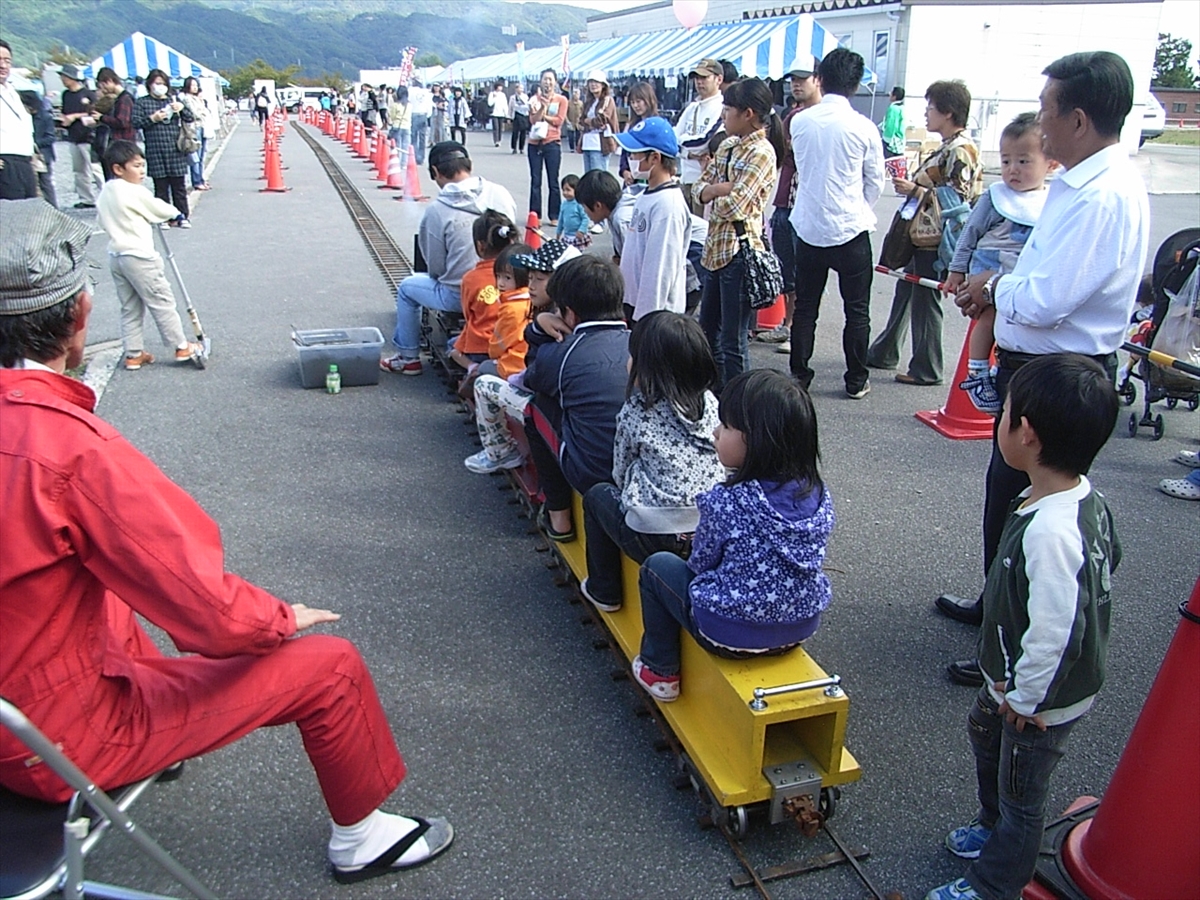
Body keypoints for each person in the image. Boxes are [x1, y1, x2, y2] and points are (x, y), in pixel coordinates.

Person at [0, 199, 454, 884]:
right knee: (328, 666)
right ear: (77, 317)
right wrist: (278, 621)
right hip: (50, 743)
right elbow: (206, 613)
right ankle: (362, 837)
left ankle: (161, 742)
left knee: (91, 582)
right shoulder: (67, 449)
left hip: (16, 697)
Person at [938, 51, 1149, 687]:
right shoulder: (1082, 183)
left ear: (1079, 120)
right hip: (1039, 362)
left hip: (1060, 369)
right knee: (1008, 493)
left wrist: (993, 288)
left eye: (1049, 111)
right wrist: (998, 285)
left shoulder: (1101, 197)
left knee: (1033, 503)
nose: (1041, 125)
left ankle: (1011, 643)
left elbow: (1051, 297)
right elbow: (1036, 275)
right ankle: (995, 607)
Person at [925, 354, 1121, 900]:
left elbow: (1058, 632)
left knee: (1023, 796)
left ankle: (993, 885)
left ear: (1026, 433)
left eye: (1004, 409)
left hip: (1037, 700)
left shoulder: (1053, 531)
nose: (998, 417)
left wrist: (1028, 699)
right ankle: (991, 826)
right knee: (985, 739)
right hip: (1010, 682)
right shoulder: (1068, 498)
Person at [631, 369, 834, 702]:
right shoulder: (817, 495)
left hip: (730, 633)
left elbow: (700, 566)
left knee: (658, 567)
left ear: (756, 440)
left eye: (725, 426)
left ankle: (660, 669)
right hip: (801, 626)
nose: (714, 432)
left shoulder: (726, 501)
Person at [580, 312, 724, 611]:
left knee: (596, 496)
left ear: (650, 370)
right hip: (709, 533)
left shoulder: (637, 410)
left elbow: (618, 473)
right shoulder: (710, 402)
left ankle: (604, 590)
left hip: (654, 537)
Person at [867, 79, 982, 386]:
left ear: (949, 112)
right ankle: (885, 351)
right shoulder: (950, 146)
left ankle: (927, 366)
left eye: (931, 107)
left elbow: (957, 200)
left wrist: (915, 190)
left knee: (925, 299)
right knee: (907, 290)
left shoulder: (960, 150)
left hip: (936, 238)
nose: (927, 114)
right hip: (924, 235)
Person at [787, 48, 884, 400]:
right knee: (856, 309)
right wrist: (859, 207)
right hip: (851, 228)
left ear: (821, 80)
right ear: (856, 85)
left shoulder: (799, 122)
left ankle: (799, 375)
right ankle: (856, 378)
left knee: (806, 306)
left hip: (809, 226)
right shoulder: (864, 127)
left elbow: (802, 165)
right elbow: (875, 180)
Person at [948, 113, 1056, 414]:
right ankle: (978, 371)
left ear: (1051, 163)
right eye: (1006, 161)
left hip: (1024, 280)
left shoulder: (1053, 199)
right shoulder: (995, 197)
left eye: (1024, 161)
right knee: (989, 319)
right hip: (989, 271)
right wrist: (957, 271)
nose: (1013, 170)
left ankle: (998, 370)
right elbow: (969, 234)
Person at [381, 141, 516, 376]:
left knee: (407, 288)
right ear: (469, 165)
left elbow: (436, 268)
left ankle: (408, 357)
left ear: (435, 172)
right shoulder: (500, 193)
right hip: (510, 287)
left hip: (460, 294)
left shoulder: (437, 210)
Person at [522, 255, 630, 540]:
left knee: (534, 408)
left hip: (592, 472)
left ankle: (559, 518)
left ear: (568, 313)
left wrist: (537, 326)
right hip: (638, 468)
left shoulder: (563, 353)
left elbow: (531, 378)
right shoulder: (640, 342)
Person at [694, 78, 785, 389]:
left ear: (747, 113)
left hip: (739, 253)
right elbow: (697, 188)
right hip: (715, 251)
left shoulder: (762, 152)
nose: (724, 114)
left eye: (728, 108)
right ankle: (717, 395)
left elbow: (734, 207)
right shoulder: (729, 145)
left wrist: (713, 193)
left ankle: (740, 402)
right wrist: (718, 189)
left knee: (734, 341)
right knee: (708, 332)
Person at [464, 241, 579, 475]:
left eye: (540, 279)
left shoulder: (557, 324)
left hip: (548, 411)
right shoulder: (554, 314)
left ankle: (500, 451)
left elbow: (538, 376)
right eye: (530, 278)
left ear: (562, 282)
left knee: (484, 382)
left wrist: (518, 378)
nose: (531, 286)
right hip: (549, 400)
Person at [97, 141, 203, 370]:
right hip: (140, 256)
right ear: (118, 169)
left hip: (117, 255)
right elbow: (158, 208)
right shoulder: (133, 191)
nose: (142, 171)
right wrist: (176, 212)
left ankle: (134, 352)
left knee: (130, 306)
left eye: (143, 166)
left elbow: (101, 221)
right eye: (136, 166)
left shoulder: (106, 191)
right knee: (161, 301)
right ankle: (181, 345)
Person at [760, 67, 821, 352]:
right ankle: (787, 324)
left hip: (806, 207)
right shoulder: (791, 116)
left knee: (804, 274)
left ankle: (798, 331)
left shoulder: (820, 119)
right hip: (784, 202)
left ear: (818, 80)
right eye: (793, 80)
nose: (796, 85)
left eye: (802, 80)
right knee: (786, 272)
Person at [614, 117, 691, 321]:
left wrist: (647, 319)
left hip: (653, 314)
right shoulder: (646, 195)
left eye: (635, 153)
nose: (630, 158)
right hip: (634, 303)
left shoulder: (668, 205)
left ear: (655, 158)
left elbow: (660, 269)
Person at [448, 209, 518, 371]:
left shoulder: (470, 278)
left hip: (480, 348)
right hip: (512, 343)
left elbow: (468, 314)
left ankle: (473, 367)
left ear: (480, 246)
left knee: (451, 344)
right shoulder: (520, 272)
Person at [132, 69, 194, 227]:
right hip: (155, 148)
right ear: (150, 84)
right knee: (160, 187)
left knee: (179, 185)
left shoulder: (173, 100)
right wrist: (153, 118)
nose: (160, 87)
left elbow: (190, 117)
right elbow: (135, 122)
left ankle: (182, 216)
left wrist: (181, 108)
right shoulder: (142, 102)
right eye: (157, 83)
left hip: (175, 148)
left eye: (163, 83)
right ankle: (163, 217)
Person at [674, 59, 725, 216]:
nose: (699, 82)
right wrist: (687, 153)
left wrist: (683, 143)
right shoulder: (692, 107)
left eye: (704, 77)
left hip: (705, 182)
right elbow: (672, 139)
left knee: (700, 231)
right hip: (685, 178)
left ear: (719, 79)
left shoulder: (722, 107)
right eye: (697, 78)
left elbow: (705, 142)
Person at [58, 64, 105, 209]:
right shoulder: (65, 94)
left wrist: (75, 116)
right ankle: (86, 198)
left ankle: (106, 196)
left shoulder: (87, 94)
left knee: (95, 169)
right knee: (79, 170)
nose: (63, 80)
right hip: (73, 136)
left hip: (88, 135)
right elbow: (65, 111)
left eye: (65, 77)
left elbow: (94, 112)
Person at [527, 70, 568, 226]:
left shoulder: (561, 100)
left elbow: (559, 121)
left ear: (555, 82)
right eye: (545, 79)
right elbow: (533, 120)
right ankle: (535, 215)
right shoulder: (533, 100)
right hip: (535, 143)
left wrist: (544, 116)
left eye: (550, 79)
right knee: (535, 180)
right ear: (540, 81)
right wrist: (541, 108)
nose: (548, 83)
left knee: (553, 181)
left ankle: (554, 215)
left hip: (552, 143)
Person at [0, 40, 37, 201]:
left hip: (24, 161)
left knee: (28, 214)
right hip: (5, 161)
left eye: (7, 60)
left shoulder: (12, 91)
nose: (3, 65)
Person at [19, 90, 56, 206]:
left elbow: (50, 137)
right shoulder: (23, 116)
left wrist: (33, 143)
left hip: (42, 155)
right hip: (27, 154)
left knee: (45, 183)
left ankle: (53, 208)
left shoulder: (45, 116)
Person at [618, 82, 658, 186]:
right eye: (632, 102)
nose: (635, 105)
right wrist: (624, 171)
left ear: (648, 100)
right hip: (632, 181)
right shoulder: (632, 126)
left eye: (638, 101)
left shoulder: (658, 125)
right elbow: (625, 152)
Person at [579, 70, 618, 174]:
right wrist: (590, 123)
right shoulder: (589, 102)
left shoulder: (607, 100)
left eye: (596, 82)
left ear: (603, 85)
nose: (593, 84)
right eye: (591, 82)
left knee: (598, 178)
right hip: (587, 143)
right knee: (589, 178)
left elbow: (602, 120)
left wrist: (589, 122)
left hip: (600, 145)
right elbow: (581, 121)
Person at [179, 77, 210, 191]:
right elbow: (195, 113)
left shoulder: (198, 98)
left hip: (203, 127)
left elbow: (205, 111)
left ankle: (201, 179)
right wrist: (202, 112)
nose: (195, 87)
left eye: (196, 85)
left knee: (202, 155)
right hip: (193, 128)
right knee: (195, 156)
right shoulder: (186, 99)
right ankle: (196, 181)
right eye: (192, 85)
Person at [95, 67, 136, 144]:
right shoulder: (122, 98)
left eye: (103, 86)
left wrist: (101, 117)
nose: (103, 90)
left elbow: (122, 122)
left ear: (110, 81)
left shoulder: (125, 99)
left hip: (123, 143)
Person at [555, 173, 590, 247]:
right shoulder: (564, 204)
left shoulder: (579, 204)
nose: (565, 193)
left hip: (577, 235)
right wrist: (558, 233)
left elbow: (585, 218)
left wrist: (581, 230)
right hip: (567, 235)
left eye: (568, 190)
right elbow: (561, 220)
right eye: (563, 190)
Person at [409, 80, 433, 164]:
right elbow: (429, 105)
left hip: (413, 113)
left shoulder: (410, 91)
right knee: (422, 137)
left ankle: (414, 156)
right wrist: (428, 115)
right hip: (423, 114)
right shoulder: (426, 92)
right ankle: (421, 157)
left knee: (413, 137)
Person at [388, 86, 412, 161]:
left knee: (397, 146)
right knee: (405, 146)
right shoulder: (409, 105)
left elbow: (392, 117)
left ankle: (396, 161)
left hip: (397, 126)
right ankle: (404, 163)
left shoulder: (395, 105)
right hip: (407, 126)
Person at [881, 86, 906, 158]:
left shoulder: (893, 108)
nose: (889, 94)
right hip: (900, 143)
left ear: (894, 96)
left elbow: (891, 125)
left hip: (892, 143)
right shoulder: (902, 108)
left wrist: (886, 141)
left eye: (891, 93)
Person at [487, 81, 509, 147]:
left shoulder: (503, 95)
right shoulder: (492, 94)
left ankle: (499, 140)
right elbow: (489, 103)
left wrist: (506, 114)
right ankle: (496, 141)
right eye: (499, 86)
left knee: (500, 128)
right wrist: (494, 97)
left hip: (501, 113)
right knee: (496, 127)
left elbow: (505, 104)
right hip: (494, 113)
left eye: (501, 86)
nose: (500, 88)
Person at [509, 84, 530, 154]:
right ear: (516, 89)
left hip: (524, 115)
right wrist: (509, 117)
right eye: (520, 88)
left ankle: (521, 148)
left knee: (523, 132)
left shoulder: (525, 97)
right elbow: (511, 107)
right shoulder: (513, 97)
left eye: (522, 88)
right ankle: (514, 148)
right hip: (516, 115)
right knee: (515, 132)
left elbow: (527, 106)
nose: (521, 89)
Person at [566, 87, 582, 152]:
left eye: (577, 93)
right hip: (570, 121)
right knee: (571, 136)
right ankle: (571, 148)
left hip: (578, 122)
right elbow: (565, 113)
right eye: (574, 93)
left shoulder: (581, 103)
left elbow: (583, 112)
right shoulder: (569, 103)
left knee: (578, 136)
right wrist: (567, 120)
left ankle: (577, 147)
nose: (575, 94)